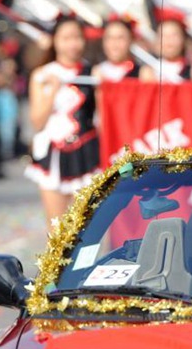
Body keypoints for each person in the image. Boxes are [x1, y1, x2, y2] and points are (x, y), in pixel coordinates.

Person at [24, 16, 101, 228]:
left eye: (76, 37)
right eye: (66, 38)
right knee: (57, 229)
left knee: (85, 228)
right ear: (55, 40)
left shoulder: (93, 73)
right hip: (53, 156)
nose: (72, 44)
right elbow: (37, 122)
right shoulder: (42, 74)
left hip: (87, 154)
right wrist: (53, 90)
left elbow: (102, 117)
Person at [141, 10, 191, 84]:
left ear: (183, 39)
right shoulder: (149, 70)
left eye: (174, 35)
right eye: (163, 36)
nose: (168, 41)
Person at [93, 15, 144, 82]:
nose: (114, 43)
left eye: (120, 38)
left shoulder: (141, 74)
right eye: (110, 38)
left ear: (131, 40)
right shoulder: (94, 72)